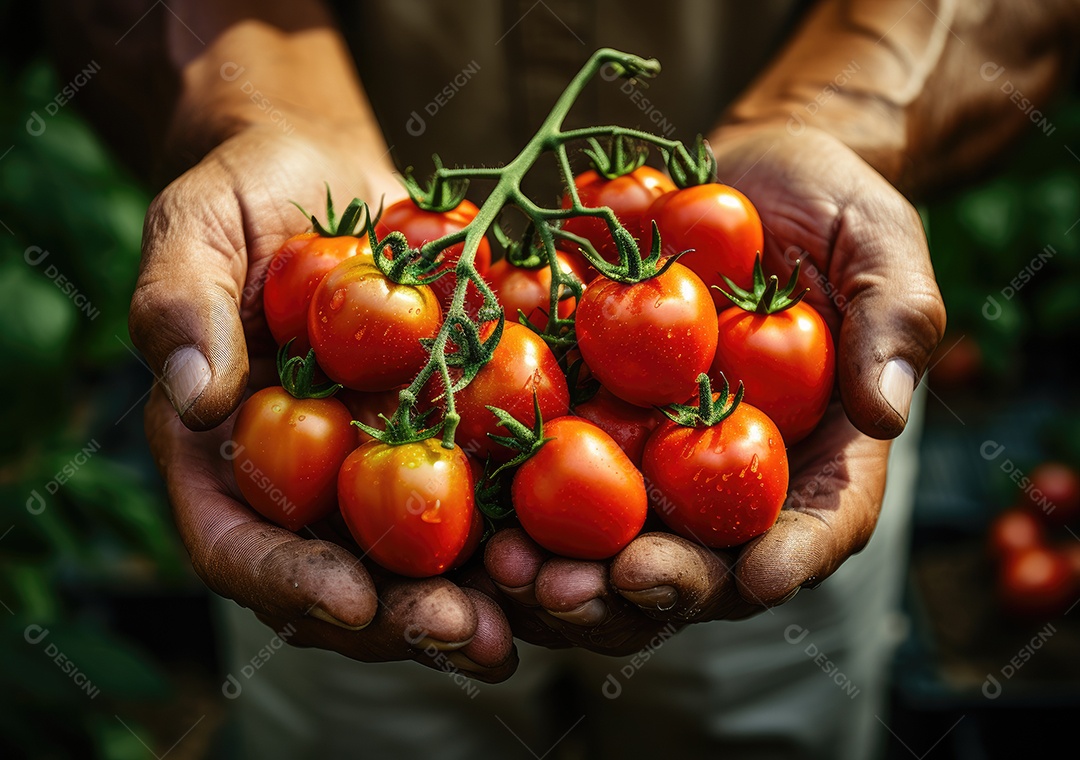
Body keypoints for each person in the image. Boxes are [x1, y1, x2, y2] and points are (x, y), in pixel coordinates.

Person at [51, 0, 1078, 757]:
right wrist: (249, 115)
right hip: (368, 460)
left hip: (766, 370)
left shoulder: (627, 310)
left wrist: (840, 116)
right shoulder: (387, 352)